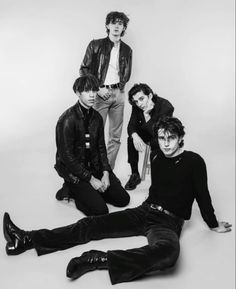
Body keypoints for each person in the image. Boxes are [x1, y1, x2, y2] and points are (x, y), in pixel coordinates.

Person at [3, 116, 231, 285]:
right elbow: (144, 135)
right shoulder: (156, 155)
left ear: (181, 138)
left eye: (171, 138)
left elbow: (203, 195)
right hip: (144, 211)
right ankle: (27, 239)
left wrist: (212, 223)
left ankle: (98, 260)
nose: (166, 143)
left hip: (167, 222)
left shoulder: (194, 161)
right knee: (91, 224)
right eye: (162, 138)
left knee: (168, 254)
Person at [54, 74, 130, 216]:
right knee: (100, 210)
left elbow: (101, 148)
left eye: (94, 91)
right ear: (77, 93)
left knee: (123, 200)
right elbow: (67, 157)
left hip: (95, 167)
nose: (92, 95)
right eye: (87, 91)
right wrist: (91, 180)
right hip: (75, 173)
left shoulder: (96, 117)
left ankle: (91, 193)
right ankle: (71, 189)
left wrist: (106, 173)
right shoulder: (67, 120)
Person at [79, 11, 132, 170]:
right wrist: (97, 88)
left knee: (115, 138)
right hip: (100, 94)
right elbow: (84, 69)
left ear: (123, 28)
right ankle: (91, 170)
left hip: (118, 94)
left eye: (120, 23)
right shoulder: (95, 45)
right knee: (94, 134)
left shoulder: (127, 50)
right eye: (113, 22)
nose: (116, 26)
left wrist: (120, 89)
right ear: (107, 25)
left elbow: (126, 73)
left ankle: (108, 172)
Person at [125, 83, 174, 190]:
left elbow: (158, 132)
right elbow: (131, 125)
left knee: (155, 142)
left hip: (162, 135)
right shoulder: (137, 107)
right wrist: (135, 136)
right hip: (148, 132)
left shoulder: (166, 106)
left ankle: (157, 179)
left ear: (150, 95)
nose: (139, 104)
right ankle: (135, 174)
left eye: (141, 99)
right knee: (131, 139)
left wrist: (146, 115)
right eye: (136, 101)